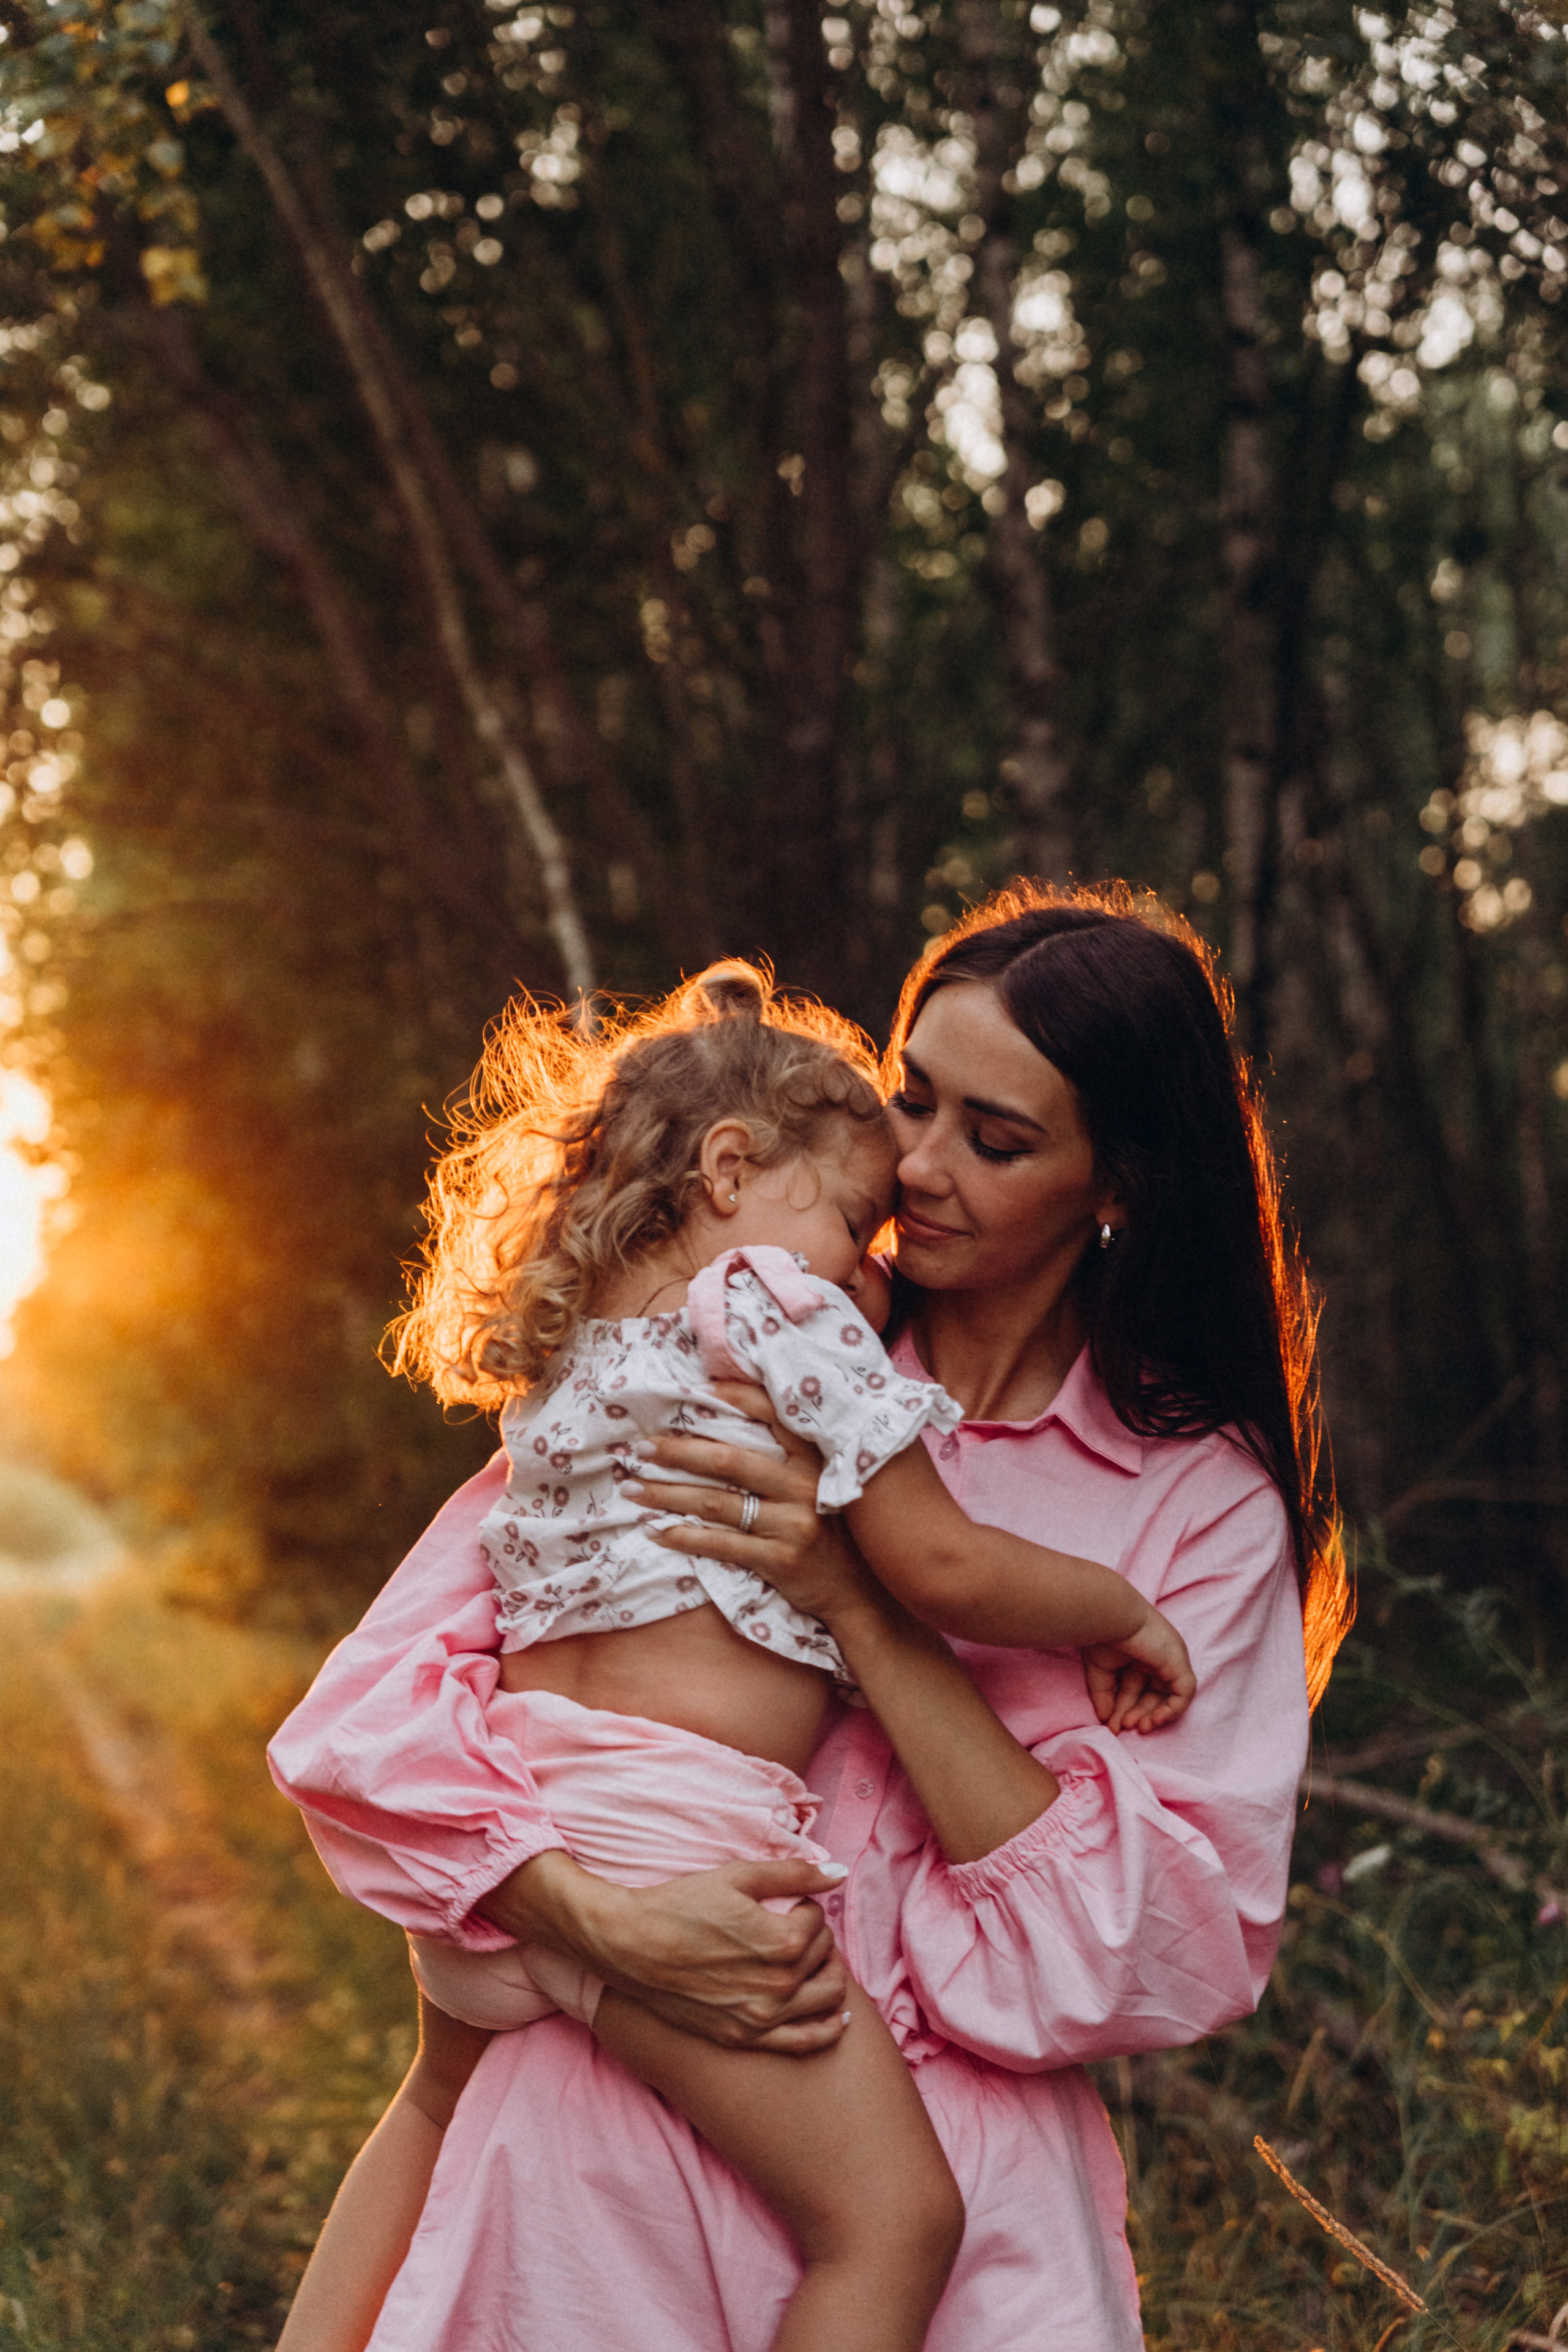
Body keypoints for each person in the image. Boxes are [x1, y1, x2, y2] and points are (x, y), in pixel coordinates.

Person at [269, 881, 1351, 2352]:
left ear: (1120, 1183)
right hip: (596, 2163)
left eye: (996, 1137)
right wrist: (593, 1921)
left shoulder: (1194, 1509)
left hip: (958, 2224)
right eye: (911, 1099)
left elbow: (1147, 1951)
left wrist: (857, 1604)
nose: (914, 1164)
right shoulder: (728, 1332)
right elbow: (382, 1705)